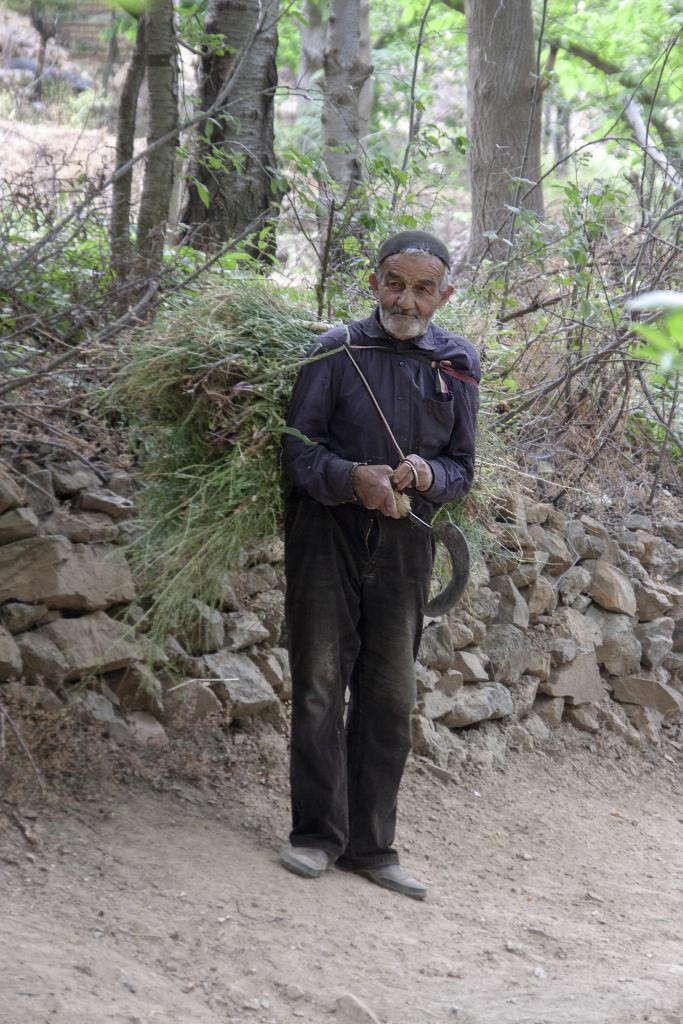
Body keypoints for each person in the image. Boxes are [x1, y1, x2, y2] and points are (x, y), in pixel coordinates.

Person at [279, 231, 480, 900]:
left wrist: (427, 474)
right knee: (316, 684)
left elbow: (461, 469)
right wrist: (349, 479)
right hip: (323, 538)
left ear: (443, 295)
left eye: (424, 288)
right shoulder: (334, 351)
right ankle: (314, 836)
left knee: (389, 696)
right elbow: (297, 454)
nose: (406, 299)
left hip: (405, 547)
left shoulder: (455, 364)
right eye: (395, 283)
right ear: (373, 283)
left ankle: (372, 848)